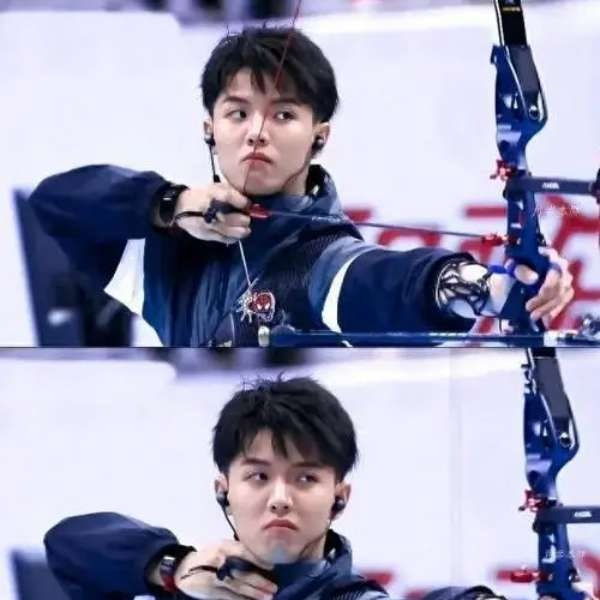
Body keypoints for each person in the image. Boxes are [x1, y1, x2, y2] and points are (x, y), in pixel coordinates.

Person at [29, 26, 574, 346]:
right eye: (237, 113)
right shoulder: (163, 255)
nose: (257, 132)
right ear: (209, 129)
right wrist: (169, 204)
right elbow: (56, 203)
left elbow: (387, 283)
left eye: (283, 114)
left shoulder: (324, 261)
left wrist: (491, 288)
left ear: (319, 136)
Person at [44, 376, 499, 600]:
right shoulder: (196, 583)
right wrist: (171, 568)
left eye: (306, 478)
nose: (280, 498)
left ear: (339, 498)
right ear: (224, 490)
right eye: (259, 476)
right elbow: (68, 544)